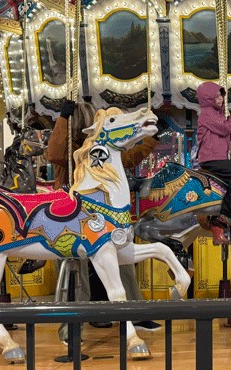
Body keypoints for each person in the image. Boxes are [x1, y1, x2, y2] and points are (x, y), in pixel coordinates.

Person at [47, 100, 162, 331]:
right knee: (76, 265)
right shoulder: (72, 149)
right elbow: (55, 152)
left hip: (101, 209)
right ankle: (74, 321)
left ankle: (133, 312)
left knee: (122, 256)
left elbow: (128, 158)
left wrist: (151, 140)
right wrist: (62, 119)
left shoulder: (103, 148)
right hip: (74, 209)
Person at [196, 81, 231, 245]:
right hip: (212, 158)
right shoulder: (206, 114)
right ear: (208, 98)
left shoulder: (216, 115)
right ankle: (227, 215)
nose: (220, 98)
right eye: (216, 96)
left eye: (221, 95)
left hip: (218, 157)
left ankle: (221, 223)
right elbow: (225, 129)